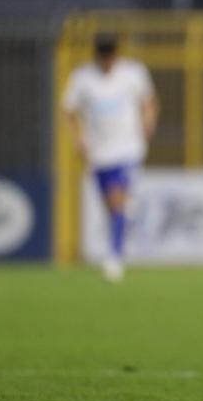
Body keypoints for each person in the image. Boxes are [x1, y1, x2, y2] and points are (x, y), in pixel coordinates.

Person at [62, 33, 158, 282]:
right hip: (99, 152)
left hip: (127, 147)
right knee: (111, 207)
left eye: (110, 56)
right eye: (102, 56)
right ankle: (125, 217)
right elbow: (69, 111)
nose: (107, 61)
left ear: (116, 54)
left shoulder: (133, 73)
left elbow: (149, 100)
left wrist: (148, 122)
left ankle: (114, 257)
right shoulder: (83, 78)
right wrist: (78, 139)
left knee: (117, 199)